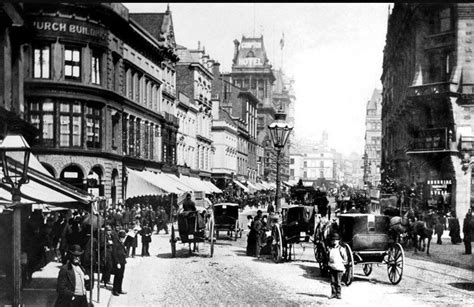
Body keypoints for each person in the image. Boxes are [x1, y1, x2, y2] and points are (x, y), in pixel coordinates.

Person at [327, 233, 347, 300]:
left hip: (339, 268)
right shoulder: (330, 248)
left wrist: (342, 264)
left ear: (338, 241)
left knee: (338, 282)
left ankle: (338, 294)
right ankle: (333, 293)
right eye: (333, 240)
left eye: (336, 240)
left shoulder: (341, 249)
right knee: (332, 282)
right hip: (332, 267)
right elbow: (329, 257)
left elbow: (345, 258)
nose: (334, 241)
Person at [111, 230, 127, 296]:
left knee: (121, 276)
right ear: (119, 237)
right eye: (121, 237)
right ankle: (115, 290)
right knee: (117, 276)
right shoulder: (116, 244)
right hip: (118, 263)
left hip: (122, 262)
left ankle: (119, 289)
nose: (122, 238)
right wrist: (117, 262)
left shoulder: (122, 243)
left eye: (123, 237)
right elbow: (114, 254)